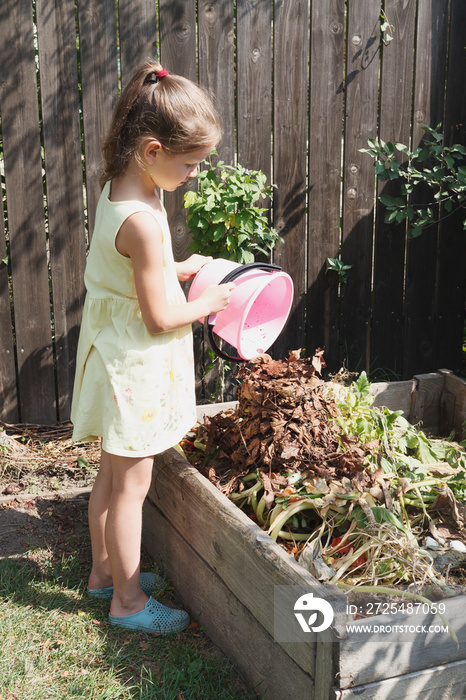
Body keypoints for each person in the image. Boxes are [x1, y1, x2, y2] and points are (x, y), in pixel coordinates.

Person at [70, 60, 234, 634]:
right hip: (132, 363)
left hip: (116, 350)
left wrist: (178, 264)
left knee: (111, 478)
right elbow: (162, 316)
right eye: (190, 163)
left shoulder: (125, 186)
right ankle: (128, 602)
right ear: (152, 149)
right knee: (133, 486)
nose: (194, 173)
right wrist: (208, 305)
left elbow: (136, 272)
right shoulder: (141, 217)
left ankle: (103, 575)